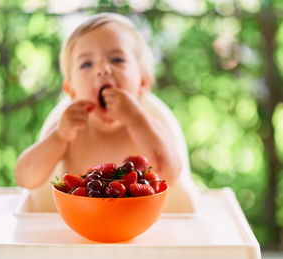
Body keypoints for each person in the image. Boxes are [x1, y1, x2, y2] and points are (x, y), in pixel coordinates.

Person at [14, 13, 198, 212]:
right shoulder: (67, 130)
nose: (102, 69)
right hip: (81, 231)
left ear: (142, 83)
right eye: (86, 64)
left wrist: (136, 120)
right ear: (71, 91)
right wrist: (59, 136)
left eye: (117, 59)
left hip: (140, 232)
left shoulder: (149, 126)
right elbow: (25, 178)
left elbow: (169, 176)